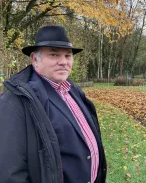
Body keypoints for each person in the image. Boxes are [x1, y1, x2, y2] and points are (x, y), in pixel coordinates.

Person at [0, 25, 107, 183]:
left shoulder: (73, 91)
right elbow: (10, 173)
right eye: (54, 55)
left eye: (68, 56)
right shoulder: (15, 102)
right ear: (35, 59)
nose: (63, 62)